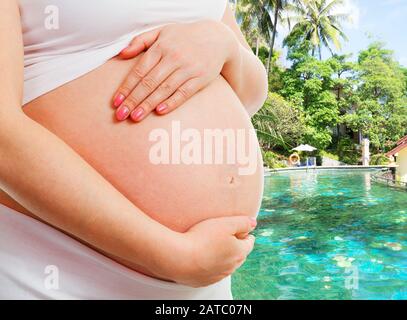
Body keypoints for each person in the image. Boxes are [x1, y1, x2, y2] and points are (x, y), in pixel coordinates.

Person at [0, 0, 268, 299]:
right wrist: (172, 255)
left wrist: (226, 47)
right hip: (60, 266)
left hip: (202, 282)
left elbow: (251, 97)